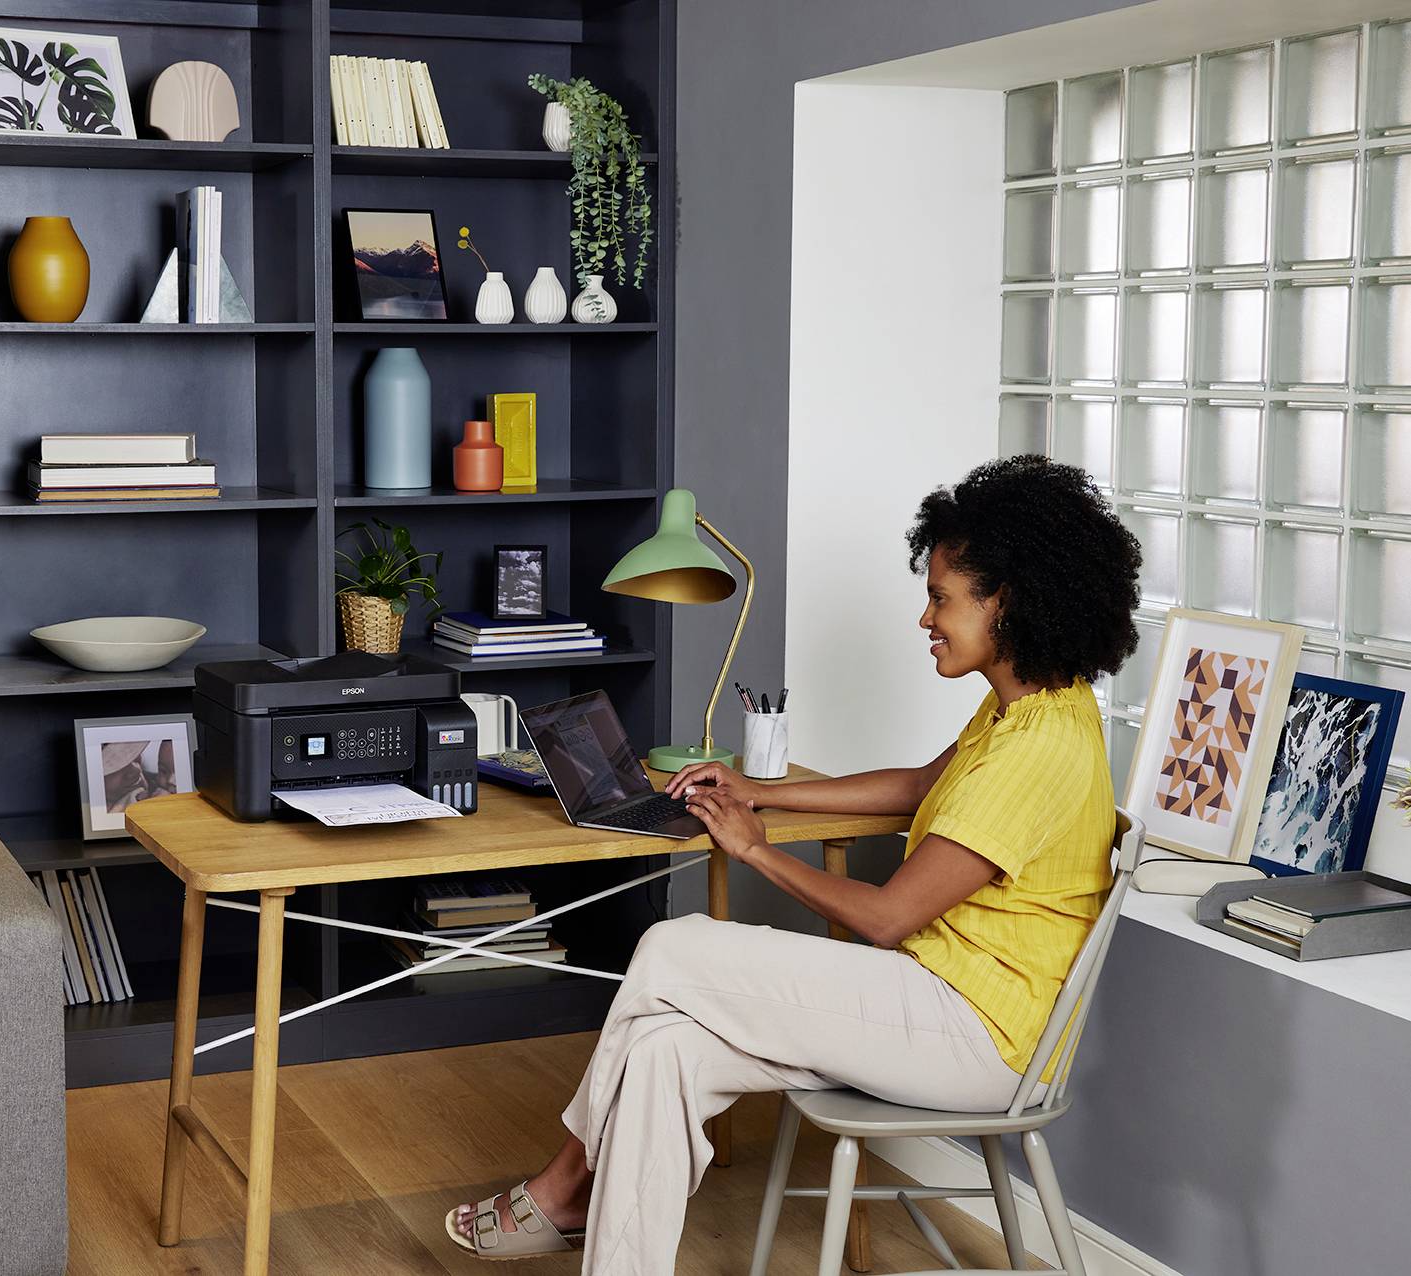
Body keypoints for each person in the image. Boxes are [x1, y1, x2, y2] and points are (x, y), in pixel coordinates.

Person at [444, 455, 1142, 1271]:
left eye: (941, 599)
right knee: (663, 1048)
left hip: (979, 1037)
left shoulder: (1039, 750)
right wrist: (762, 793)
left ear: (1008, 603)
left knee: (672, 947)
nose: (925, 618)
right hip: (934, 998)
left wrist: (752, 848)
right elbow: (923, 784)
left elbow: (886, 918)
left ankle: (560, 1188)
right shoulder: (1034, 707)